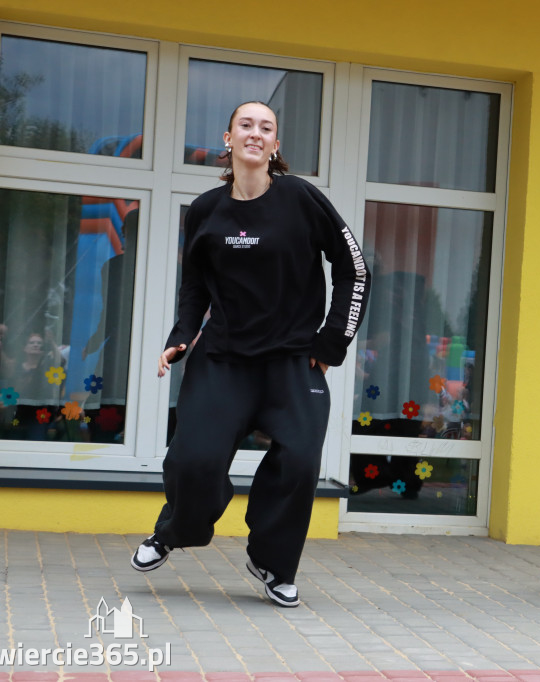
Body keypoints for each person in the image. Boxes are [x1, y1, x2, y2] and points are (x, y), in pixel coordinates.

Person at [130, 101, 371, 608]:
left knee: (301, 462)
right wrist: (181, 335)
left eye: (267, 128)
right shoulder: (205, 210)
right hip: (223, 360)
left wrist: (330, 344)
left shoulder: (303, 199)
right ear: (229, 138)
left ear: (275, 145)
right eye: (247, 125)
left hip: (292, 362)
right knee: (194, 461)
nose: (256, 133)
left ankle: (272, 562)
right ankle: (174, 531)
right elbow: (195, 286)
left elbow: (355, 269)